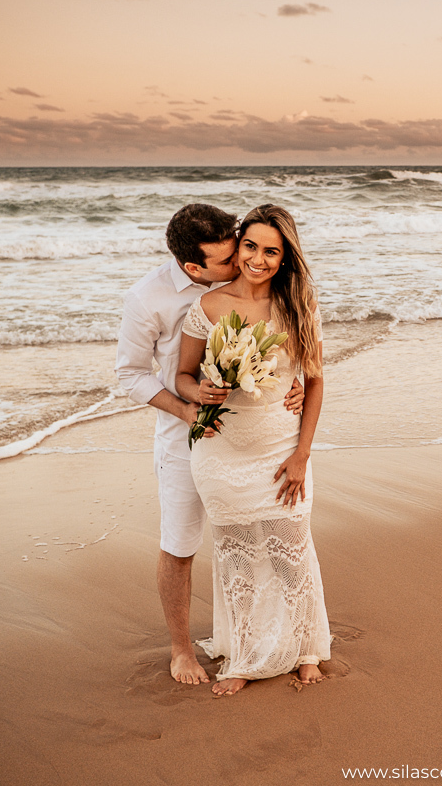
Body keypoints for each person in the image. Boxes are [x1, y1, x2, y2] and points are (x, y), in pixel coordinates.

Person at [116, 203, 304, 686]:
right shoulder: (147, 299)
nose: (240, 263)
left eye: (238, 247)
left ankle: (282, 638)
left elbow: (290, 336)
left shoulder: (253, 274)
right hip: (185, 439)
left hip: (256, 435)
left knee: (265, 533)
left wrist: (292, 381)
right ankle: (181, 650)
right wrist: (186, 411)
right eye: (225, 262)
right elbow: (131, 375)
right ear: (192, 267)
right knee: (180, 545)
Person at [176, 203, 331, 696]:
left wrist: (302, 454)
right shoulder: (207, 308)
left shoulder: (297, 308)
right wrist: (200, 392)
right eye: (250, 246)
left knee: (291, 551)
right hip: (220, 453)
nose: (258, 259)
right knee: (237, 558)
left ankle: (305, 649)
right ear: (238, 246)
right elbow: (182, 376)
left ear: (285, 258)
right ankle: (244, 655)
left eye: (271, 251)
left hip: (280, 448)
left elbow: (315, 382)